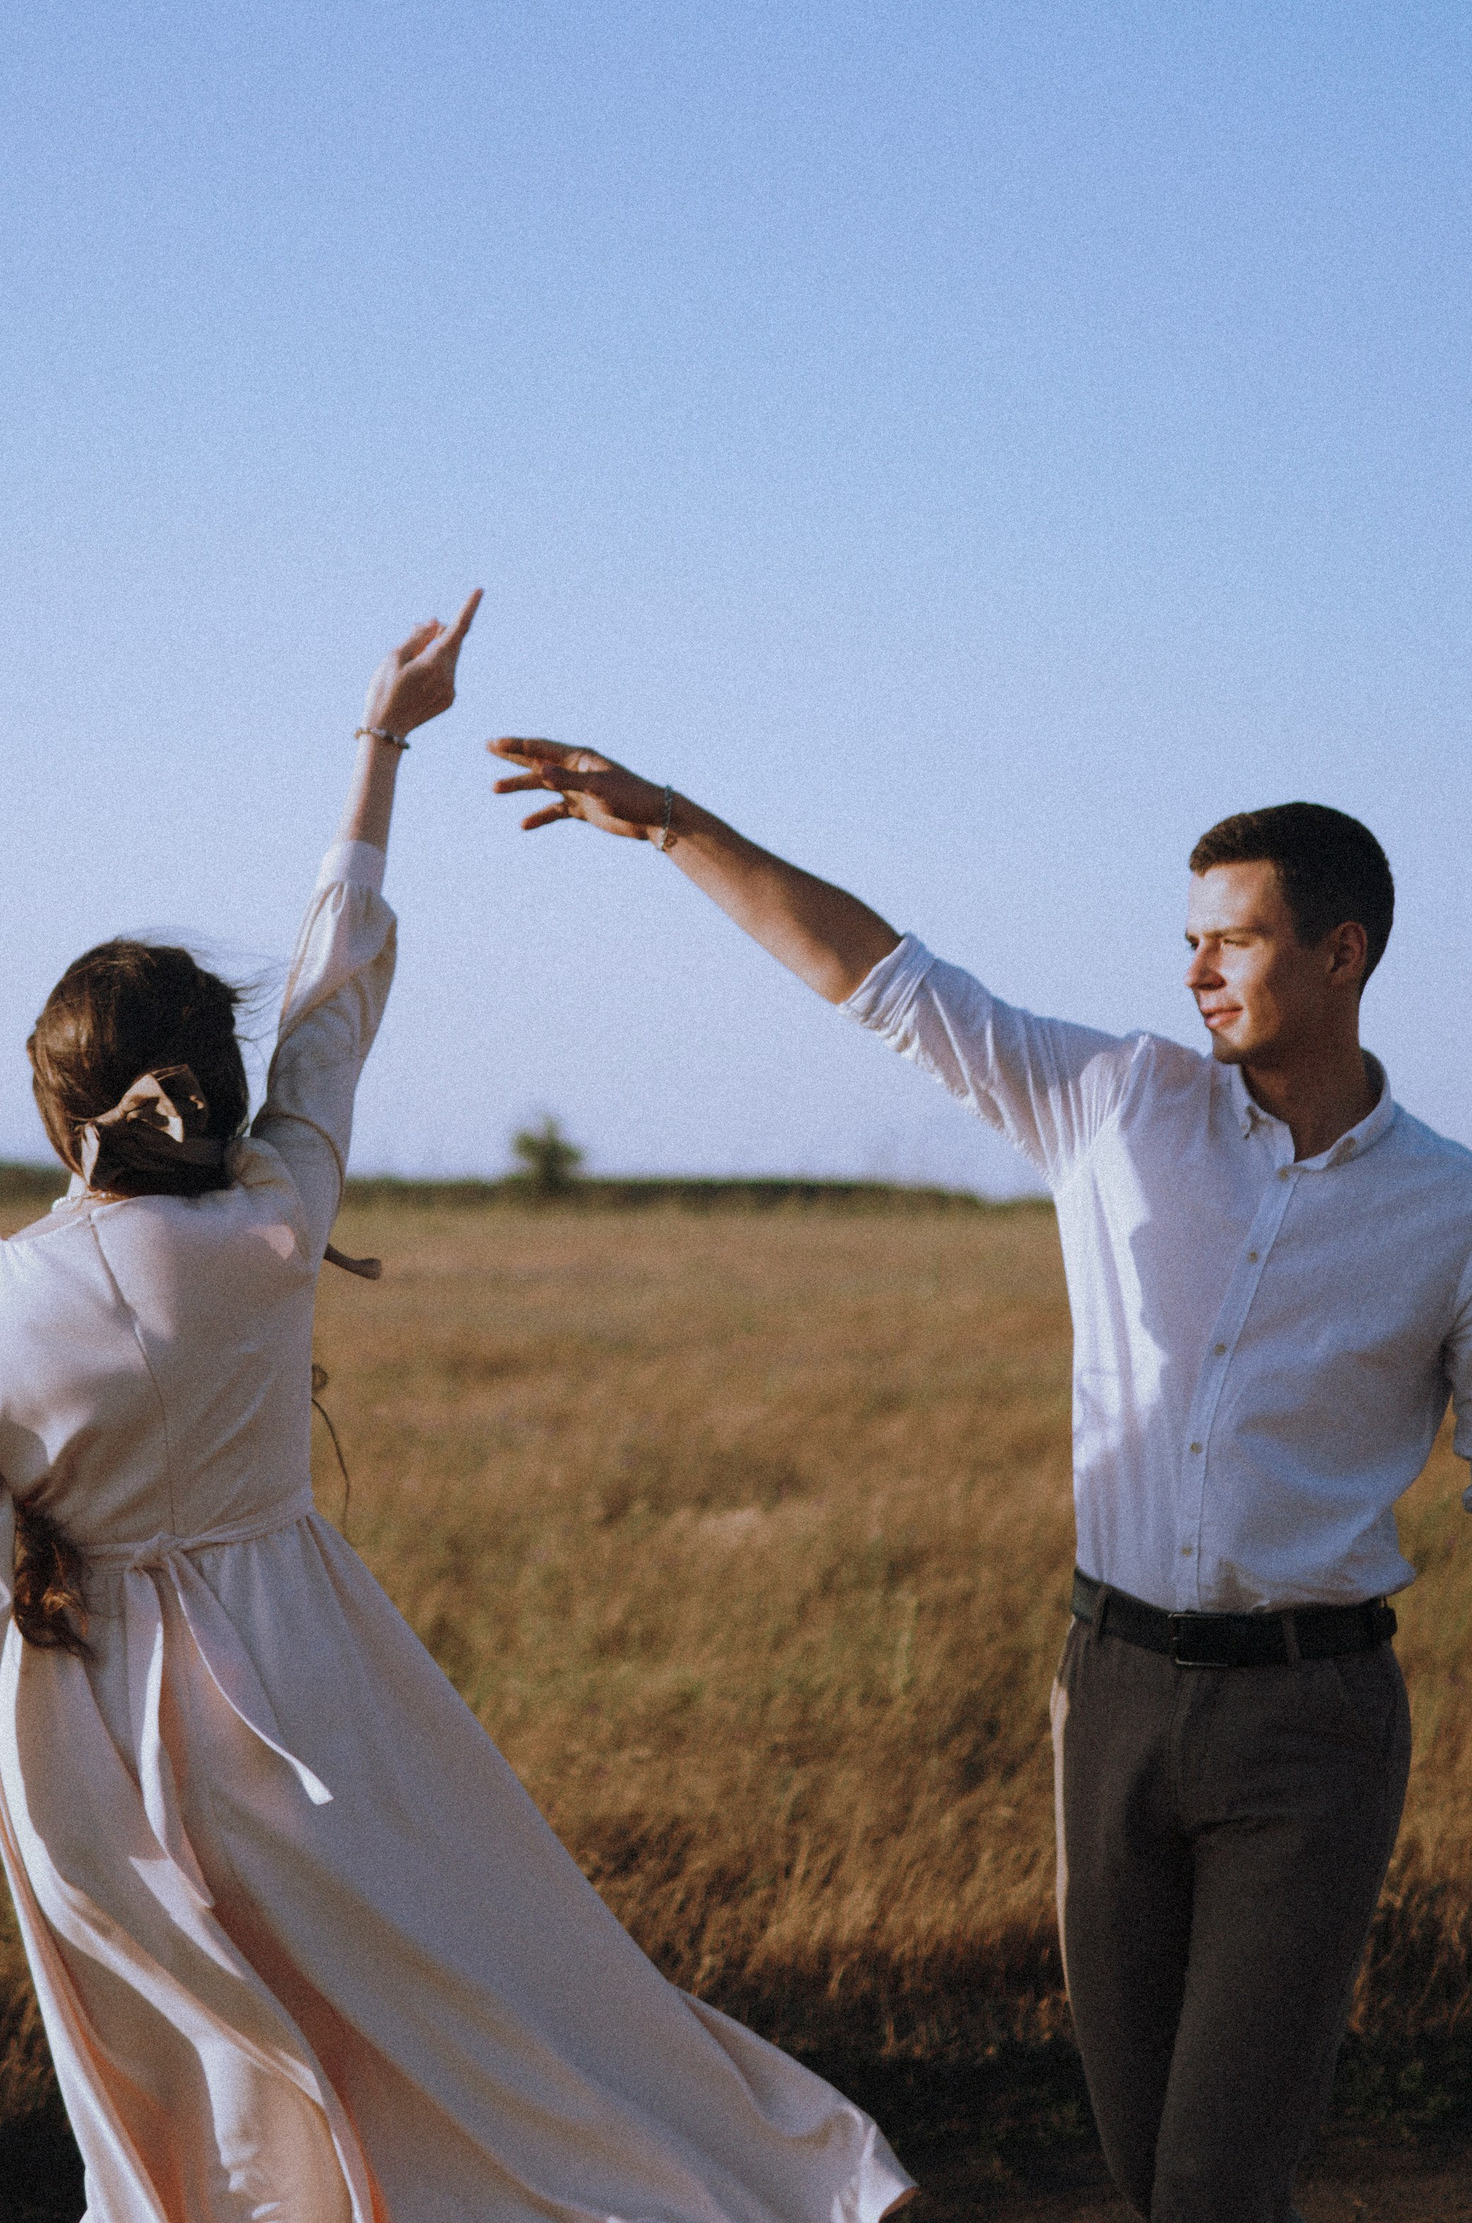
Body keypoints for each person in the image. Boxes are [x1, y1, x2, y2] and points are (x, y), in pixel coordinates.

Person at [0, 601, 915, 2223]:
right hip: (311, 1684)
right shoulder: (272, 1224)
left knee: (194, 2122)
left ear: (55, 1100)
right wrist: (381, 744)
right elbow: (332, 1000)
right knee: (452, 2019)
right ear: (210, 1092)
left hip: (84, 1752)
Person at [487, 739, 1472, 2223]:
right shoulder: (1117, 1101)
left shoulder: (1450, 1210)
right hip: (1112, 1693)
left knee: (1217, 2180)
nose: (1197, 970)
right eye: (1191, 938)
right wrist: (677, 826)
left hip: (1312, 1722)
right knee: (1141, 2155)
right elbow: (880, 976)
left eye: (1237, 939)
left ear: (1344, 953)